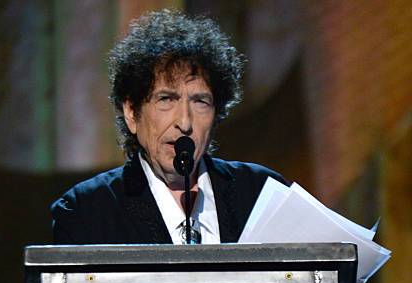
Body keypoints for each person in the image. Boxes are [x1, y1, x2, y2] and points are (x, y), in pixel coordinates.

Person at [50, 9, 288, 245]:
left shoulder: (263, 193)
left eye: (200, 102)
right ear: (132, 113)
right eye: (166, 99)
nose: (184, 122)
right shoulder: (87, 211)